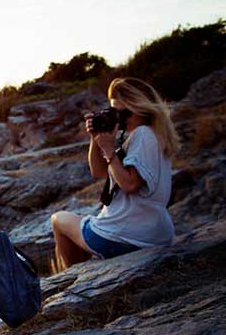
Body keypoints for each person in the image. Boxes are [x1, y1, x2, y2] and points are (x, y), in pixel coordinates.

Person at [51, 77, 180, 272]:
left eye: (124, 113)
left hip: (124, 235)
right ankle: (81, 273)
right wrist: (97, 139)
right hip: (152, 232)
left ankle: (75, 275)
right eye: (115, 113)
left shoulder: (143, 135)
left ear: (139, 108)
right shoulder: (154, 135)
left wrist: (110, 152)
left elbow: (130, 184)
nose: (119, 119)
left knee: (58, 219)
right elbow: (99, 171)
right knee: (81, 223)